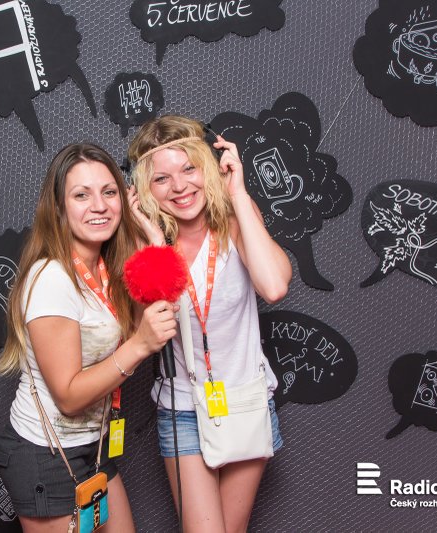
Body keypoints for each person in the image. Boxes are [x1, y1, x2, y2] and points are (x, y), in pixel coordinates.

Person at [0, 143, 178, 532]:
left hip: (93, 448)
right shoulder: (53, 279)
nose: (99, 205)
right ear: (58, 208)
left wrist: (155, 240)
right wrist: (140, 345)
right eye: (81, 195)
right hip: (45, 454)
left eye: (109, 192)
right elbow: (69, 397)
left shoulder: (105, 270)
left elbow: (151, 314)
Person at [127, 116, 292, 533]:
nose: (179, 186)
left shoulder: (236, 221)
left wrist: (238, 193)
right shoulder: (144, 243)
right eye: (161, 178)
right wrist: (155, 246)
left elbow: (274, 286)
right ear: (145, 189)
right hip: (183, 407)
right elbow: (148, 329)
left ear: (208, 166)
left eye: (189, 168)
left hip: (245, 400)